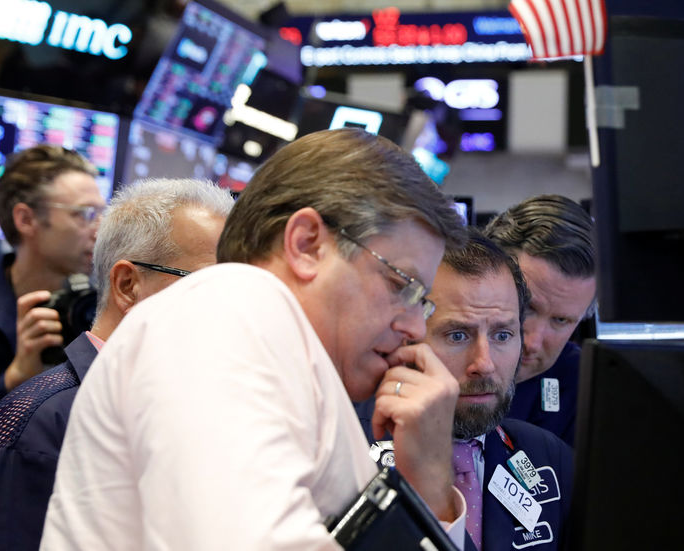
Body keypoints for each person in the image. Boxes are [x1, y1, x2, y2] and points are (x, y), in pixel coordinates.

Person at [40, 128, 469, 550]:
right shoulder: (224, 311)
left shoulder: (265, 338)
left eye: (421, 301)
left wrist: (429, 482)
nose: (415, 328)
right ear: (306, 244)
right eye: (401, 284)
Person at [0, 178, 234, 551]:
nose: (233, 308)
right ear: (128, 285)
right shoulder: (39, 430)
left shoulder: (176, 412)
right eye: (210, 285)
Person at [360, 230, 573, 550]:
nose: (484, 364)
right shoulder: (346, 447)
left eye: (503, 335)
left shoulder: (547, 455)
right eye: (457, 335)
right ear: (407, 337)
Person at [0, 145, 105, 463]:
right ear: (26, 219)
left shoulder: (96, 305)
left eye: (103, 214)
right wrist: (16, 378)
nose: (100, 229)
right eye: (84, 214)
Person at [483, 194, 596, 446]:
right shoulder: (409, 356)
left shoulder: (586, 386)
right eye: (527, 307)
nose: (532, 342)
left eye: (561, 320)